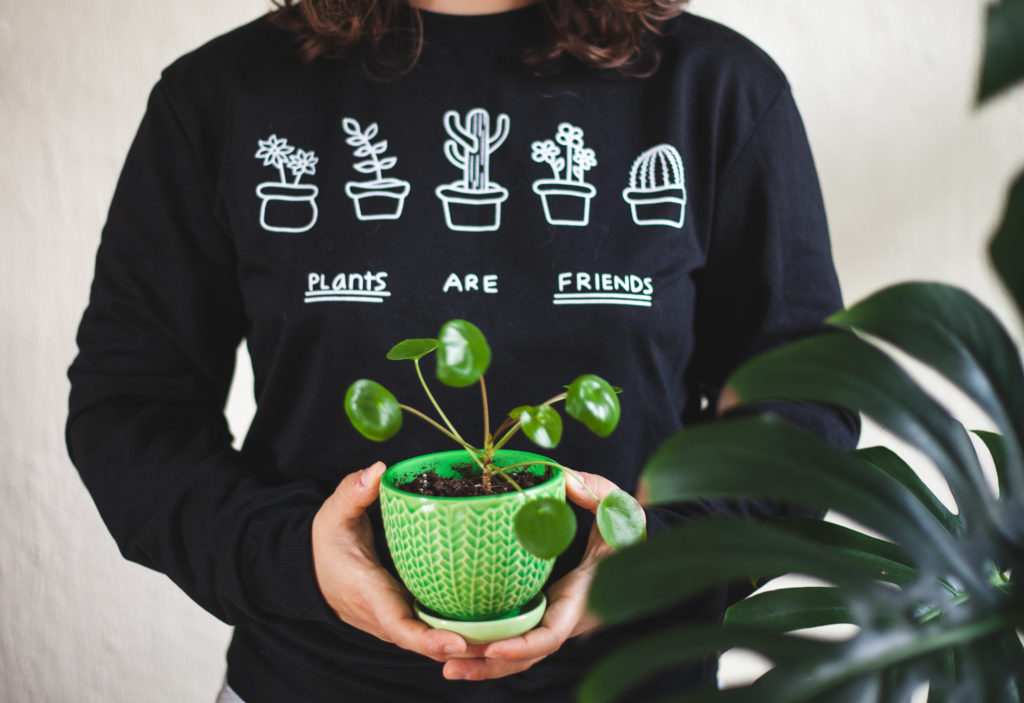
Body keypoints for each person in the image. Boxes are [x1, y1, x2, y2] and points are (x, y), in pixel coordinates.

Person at [67, 0, 858, 700]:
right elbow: (131, 405)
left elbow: (804, 406)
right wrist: (292, 555)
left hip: (640, 681)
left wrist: (650, 560)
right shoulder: (223, 95)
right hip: (313, 681)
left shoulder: (716, 90)